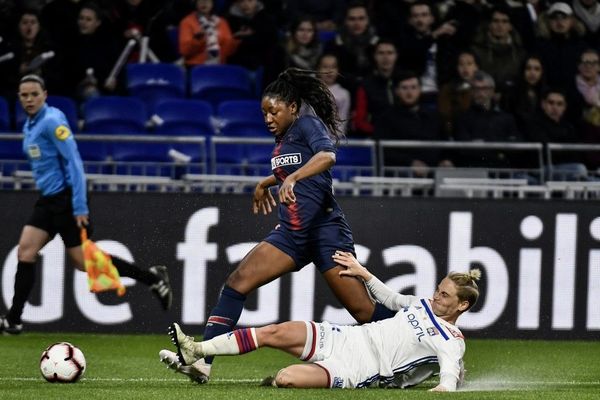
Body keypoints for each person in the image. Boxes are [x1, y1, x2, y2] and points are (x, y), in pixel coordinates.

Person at [159, 68, 396, 383]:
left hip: (325, 231)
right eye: (264, 112)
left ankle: (419, 345)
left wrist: (294, 178)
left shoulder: (307, 124)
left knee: (364, 312)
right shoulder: (284, 138)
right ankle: (202, 363)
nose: (268, 117)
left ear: (293, 108)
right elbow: (294, 166)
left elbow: (327, 157)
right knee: (237, 282)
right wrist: (267, 182)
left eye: (274, 111)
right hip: (293, 234)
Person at [0, 75, 172, 335]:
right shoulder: (30, 124)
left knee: (84, 263)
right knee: (26, 251)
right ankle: (14, 320)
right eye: (24, 95)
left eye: (34, 94)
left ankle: (152, 279)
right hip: (48, 200)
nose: (29, 99)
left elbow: (75, 164)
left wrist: (79, 206)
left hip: (66, 200)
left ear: (44, 94)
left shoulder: (51, 122)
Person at [161, 251, 481, 391]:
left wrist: (444, 386)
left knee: (286, 379)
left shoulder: (450, 338)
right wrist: (364, 273)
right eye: (439, 290)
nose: (437, 297)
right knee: (275, 330)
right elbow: (390, 299)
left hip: (359, 369)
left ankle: (272, 380)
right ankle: (197, 350)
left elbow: (451, 366)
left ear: (462, 305)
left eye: (445, 296)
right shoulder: (423, 304)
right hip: (347, 337)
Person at [178, 0, 238, 67]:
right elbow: (184, 51)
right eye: (201, 1)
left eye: (208, 1)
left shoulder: (222, 22)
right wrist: (198, 40)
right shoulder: (187, 22)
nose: (204, 3)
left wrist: (236, 39)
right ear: (195, 3)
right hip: (196, 66)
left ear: (213, 4)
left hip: (219, 65)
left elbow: (228, 52)